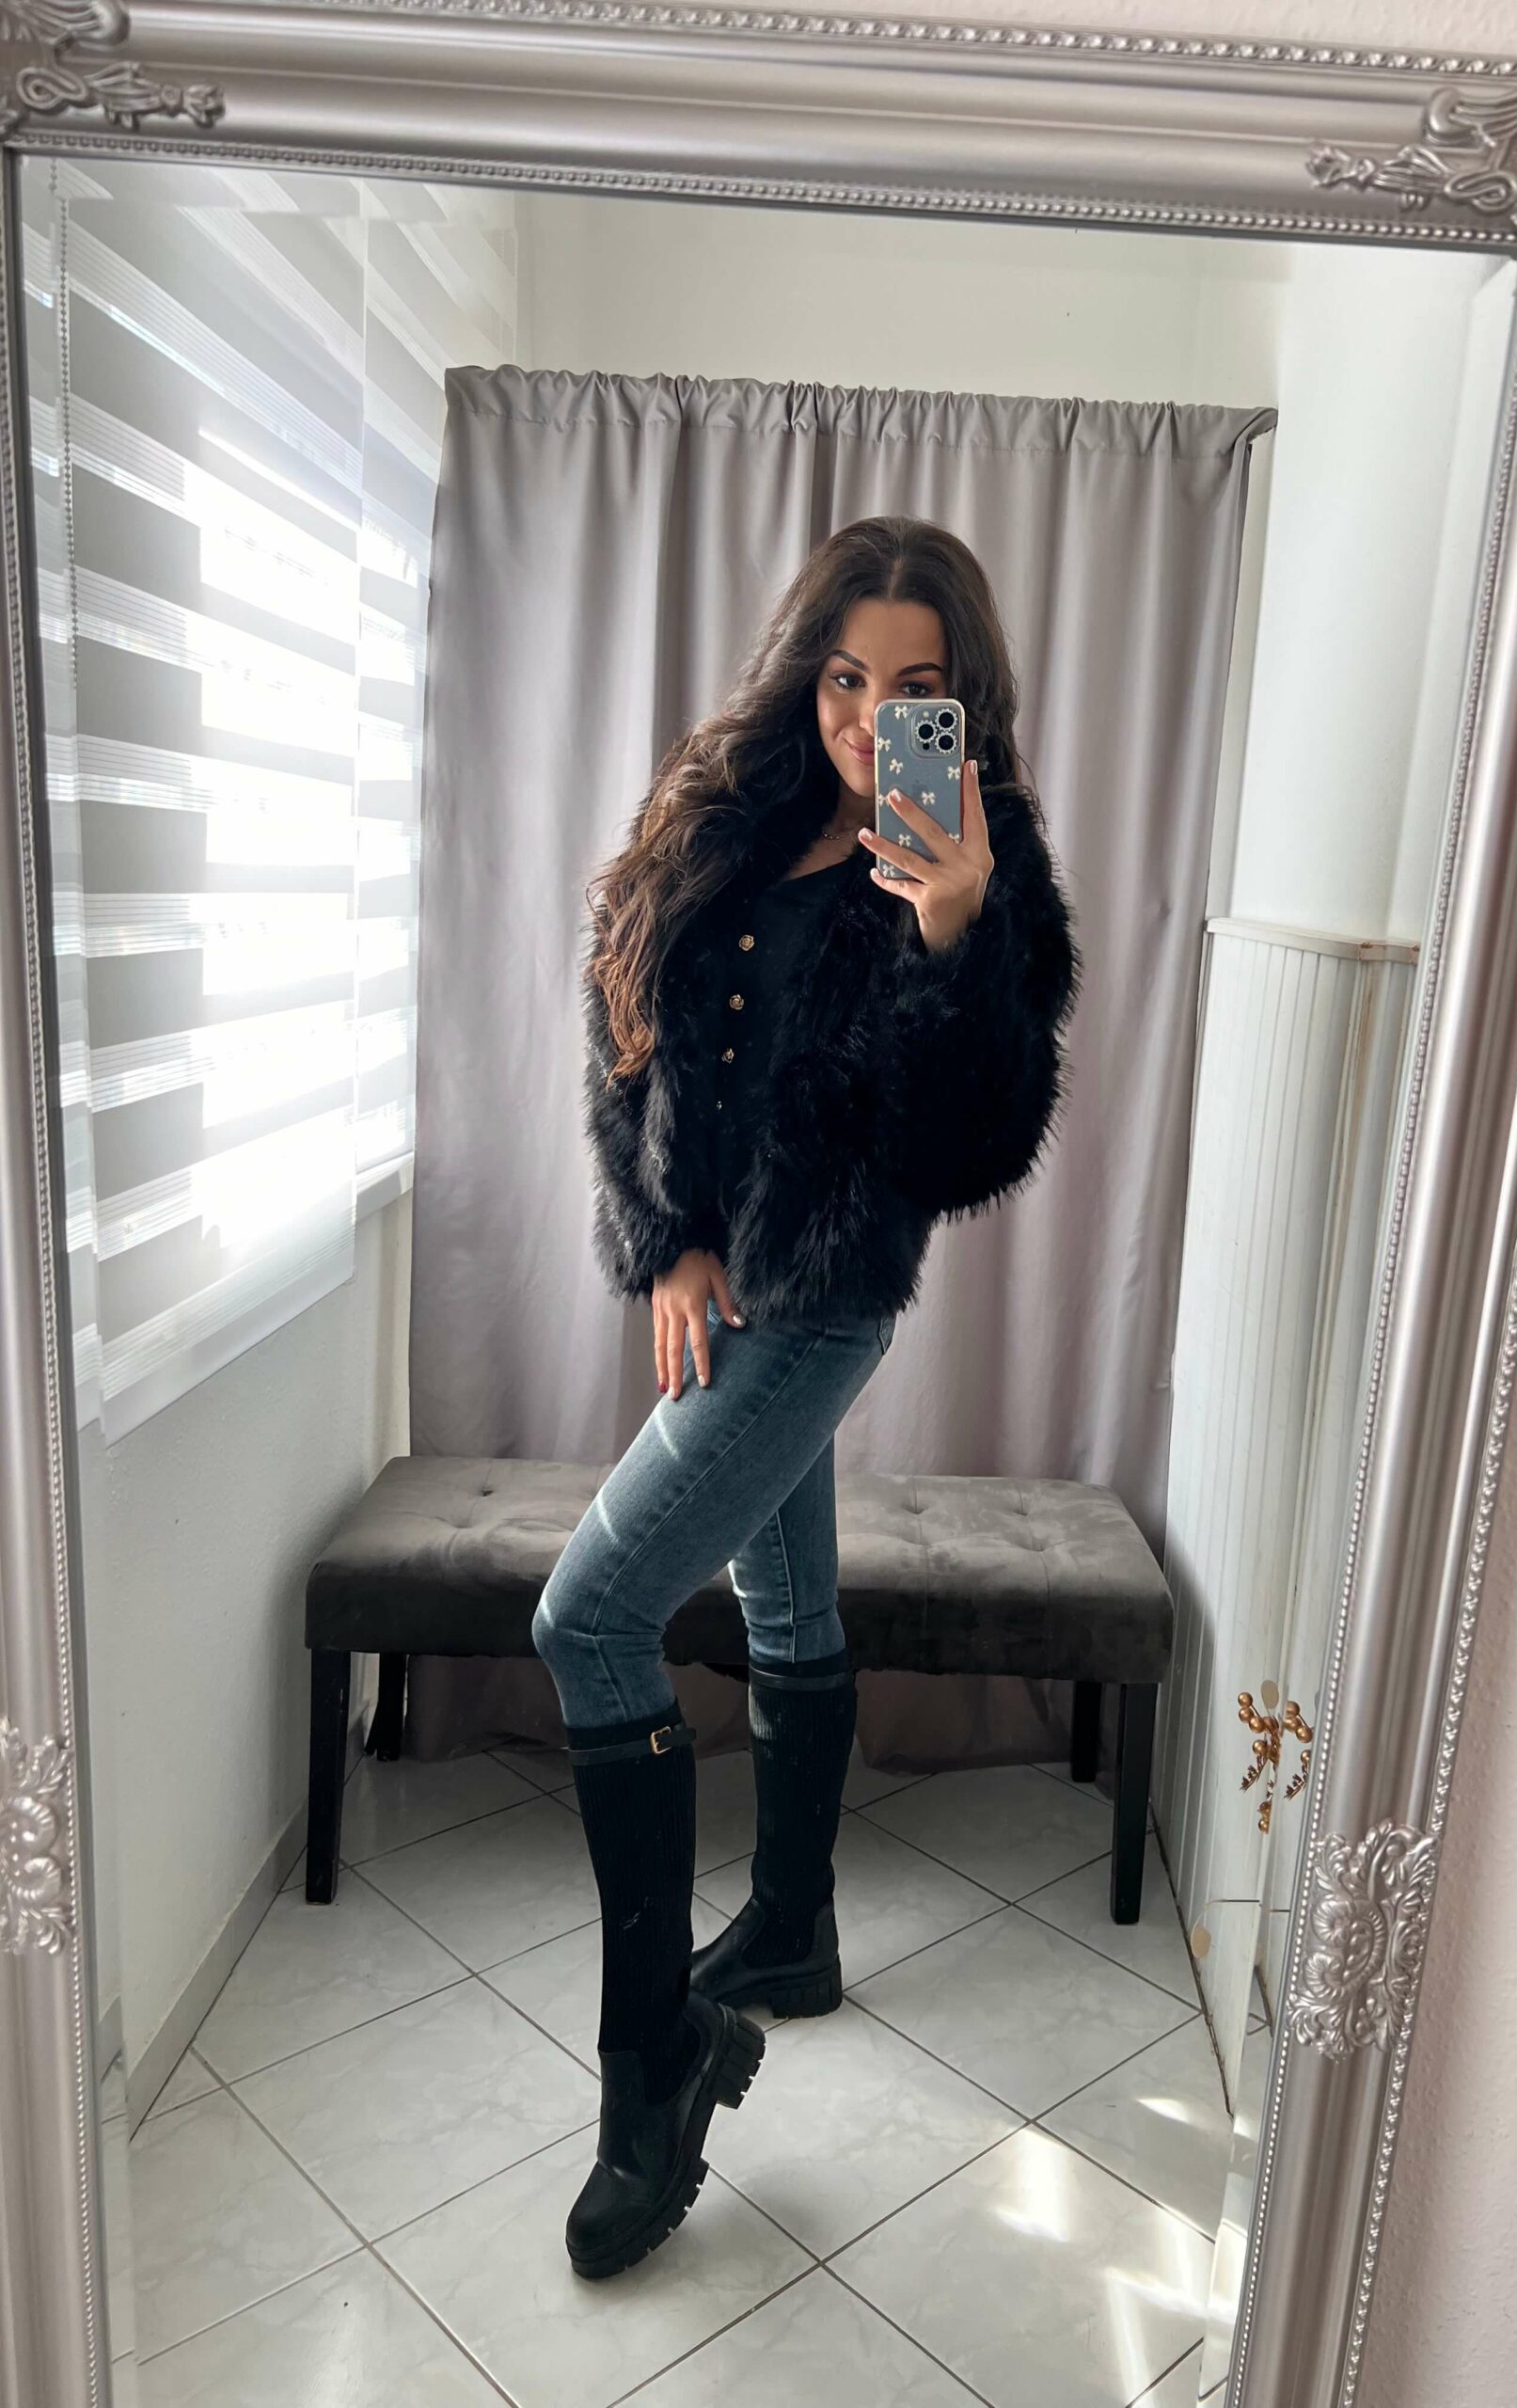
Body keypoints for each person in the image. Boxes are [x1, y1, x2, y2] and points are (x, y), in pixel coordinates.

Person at [531, 514, 1081, 2279]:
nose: (867, 717)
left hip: (827, 1302)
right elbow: (619, 1010)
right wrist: (664, 1242)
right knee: (784, 1604)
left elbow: (976, 1144)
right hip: (718, 1283)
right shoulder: (724, 806)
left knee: (589, 1616)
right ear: (807, 671)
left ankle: (656, 2070)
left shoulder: (986, 858)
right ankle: (788, 1931)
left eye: (913, 687)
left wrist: (954, 936)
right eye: (846, 677)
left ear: (961, 701)